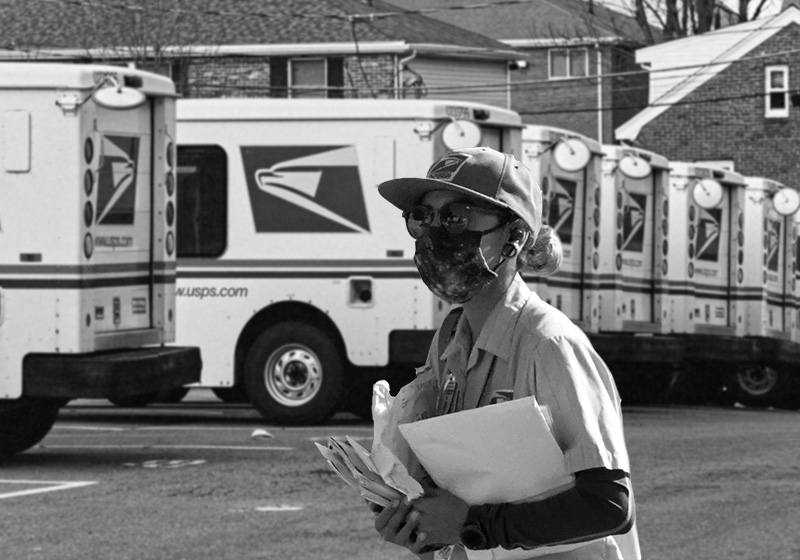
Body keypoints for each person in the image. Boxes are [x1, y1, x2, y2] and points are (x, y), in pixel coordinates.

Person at [372, 147, 639, 560]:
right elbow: (463, 495)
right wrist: (418, 523)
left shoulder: (548, 344)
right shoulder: (448, 342)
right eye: (423, 217)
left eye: (456, 217)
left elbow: (610, 505)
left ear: (514, 236)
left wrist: (473, 526)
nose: (436, 234)